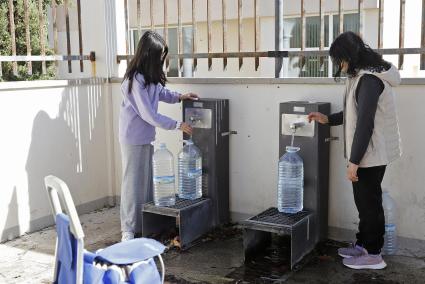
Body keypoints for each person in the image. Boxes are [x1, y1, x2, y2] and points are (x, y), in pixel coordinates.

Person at [308, 31, 401, 270]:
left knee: (369, 204)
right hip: (366, 153)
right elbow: (352, 113)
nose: (339, 65)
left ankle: (373, 254)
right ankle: (363, 245)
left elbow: (365, 124)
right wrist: (327, 119)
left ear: (349, 56)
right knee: (364, 202)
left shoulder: (369, 80)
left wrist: (354, 161)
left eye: (340, 59)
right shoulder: (359, 77)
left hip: (370, 154)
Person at [119, 31, 198, 241]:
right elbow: (148, 114)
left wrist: (180, 96)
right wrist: (177, 125)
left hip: (146, 137)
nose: (162, 60)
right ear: (149, 55)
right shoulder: (135, 80)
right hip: (132, 138)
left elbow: (161, 93)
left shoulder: (150, 78)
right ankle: (128, 229)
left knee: (146, 183)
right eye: (160, 55)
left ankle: (143, 224)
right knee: (132, 184)